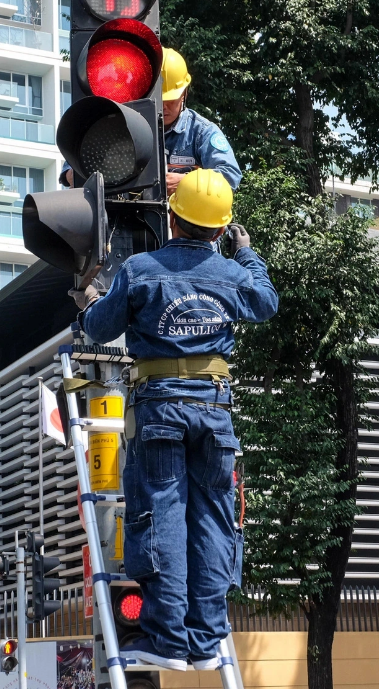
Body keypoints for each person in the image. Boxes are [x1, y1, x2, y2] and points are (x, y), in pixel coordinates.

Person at [70, 169, 277, 672]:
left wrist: (88, 302)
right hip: (215, 408)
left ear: (174, 218)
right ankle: (206, 642)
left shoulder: (141, 269)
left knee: (162, 517)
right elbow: (266, 302)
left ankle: (167, 640)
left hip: (160, 406)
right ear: (221, 228)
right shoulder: (231, 273)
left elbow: (99, 328)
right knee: (212, 521)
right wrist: (245, 251)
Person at [61, 48, 242, 192]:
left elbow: (230, 176)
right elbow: (71, 170)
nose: (163, 107)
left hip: (185, 229)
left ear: (184, 93)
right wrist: (80, 175)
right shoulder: (119, 123)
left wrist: (186, 183)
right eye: (157, 101)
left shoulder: (201, 132)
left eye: (170, 101)